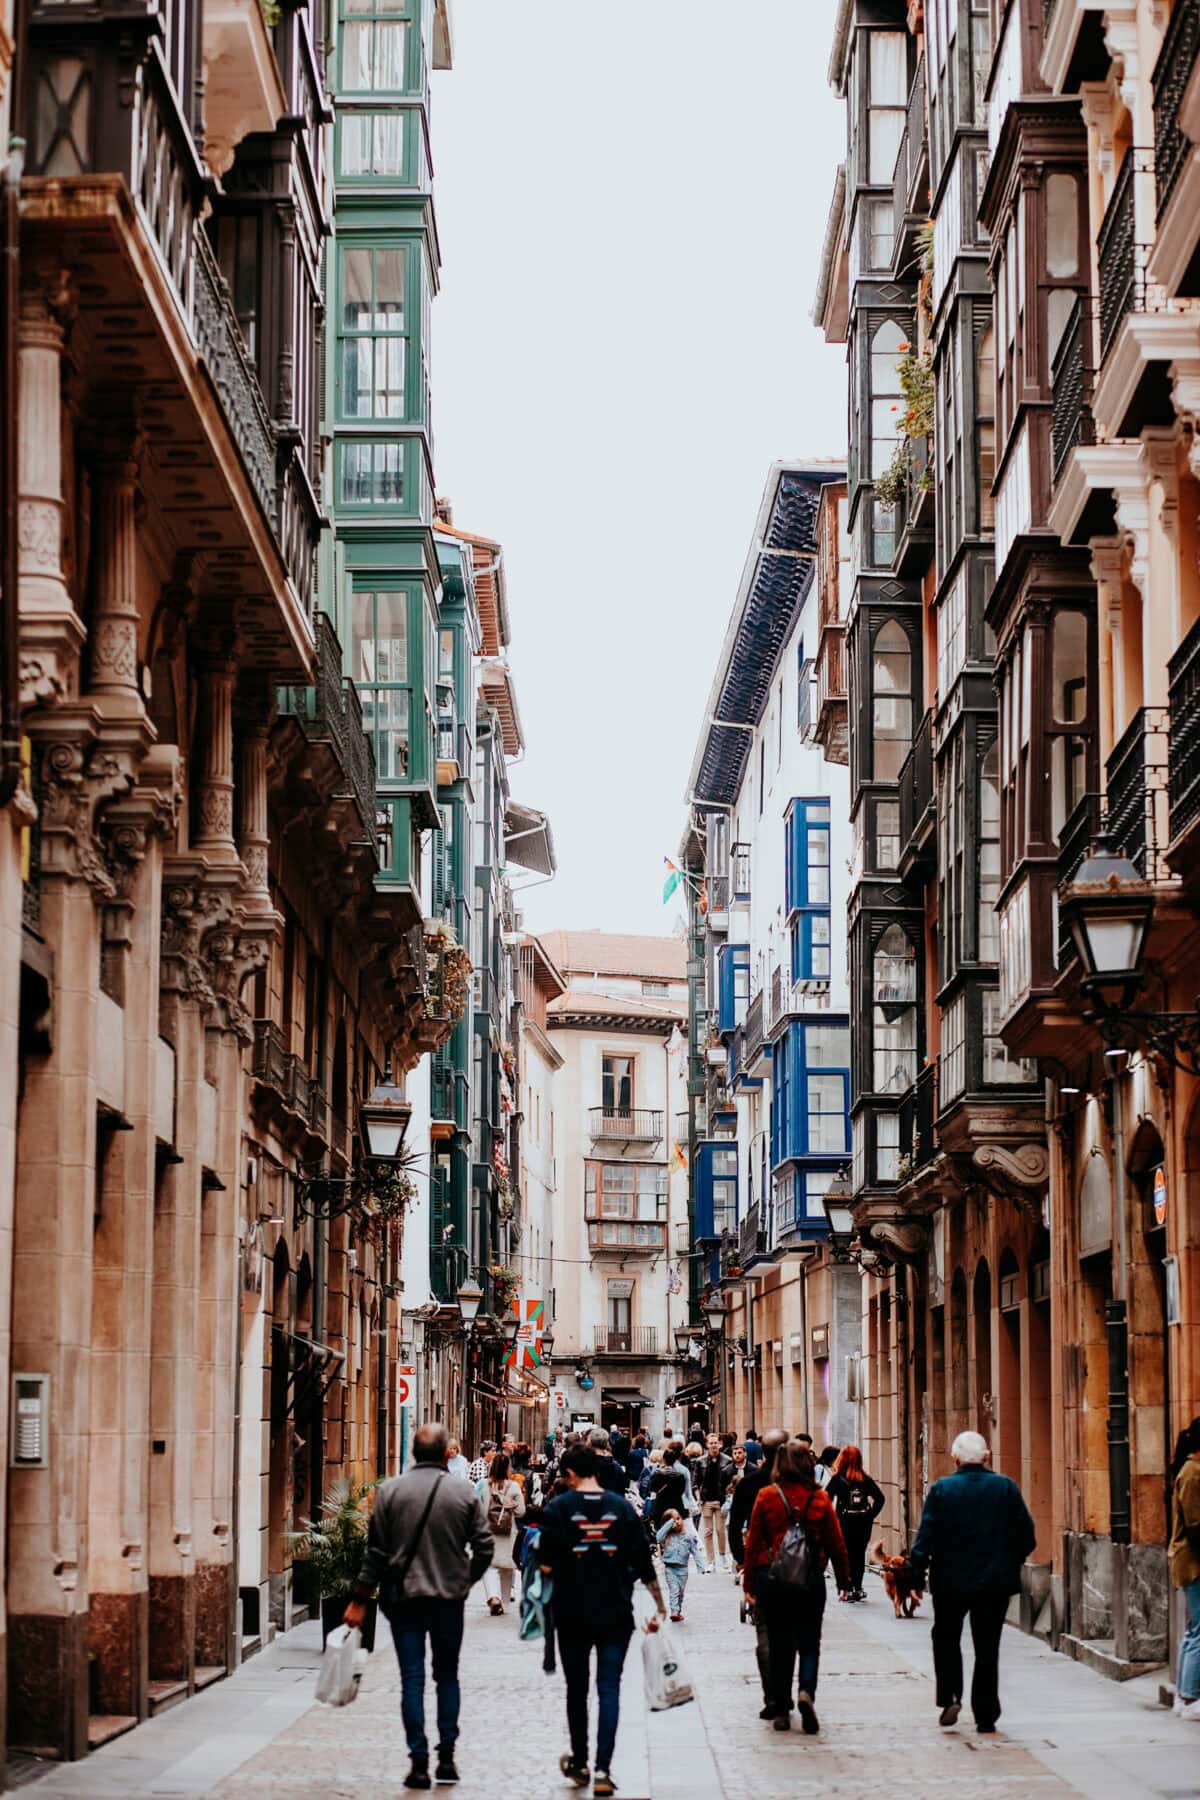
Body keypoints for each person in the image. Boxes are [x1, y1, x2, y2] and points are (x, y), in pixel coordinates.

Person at [345, 1421, 494, 1791]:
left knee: (411, 1679)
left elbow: (375, 1553)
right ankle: (447, 1758)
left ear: (413, 1451)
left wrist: (360, 1600)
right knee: (447, 1676)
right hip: (448, 1601)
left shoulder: (391, 1492)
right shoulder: (463, 1492)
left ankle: (418, 1762)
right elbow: (485, 1546)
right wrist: (465, 1581)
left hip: (404, 1599)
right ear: (446, 1453)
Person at [539, 1444, 667, 1797]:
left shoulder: (558, 1509)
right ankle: (602, 1770)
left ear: (569, 1474)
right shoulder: (621, 1508)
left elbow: (545, 1564)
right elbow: (644, 1563)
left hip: (571, 1612)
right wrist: (659, 1607)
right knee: (609, 1688)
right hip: (615, 1611)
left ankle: (580, 1761)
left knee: (577, 1690)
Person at [908, 1429, 1036, 1735]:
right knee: (987, 1646)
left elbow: (926, 1536)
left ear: (954, 1458)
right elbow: (1027, 1535)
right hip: (994, 1582)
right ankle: (986, 1714)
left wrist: (917, 1572)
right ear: (987, 1457)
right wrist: (1010, 1561)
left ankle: (951, 1695)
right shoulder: (1005, 1488)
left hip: (950, 1581)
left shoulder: (942, 1490)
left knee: (946, 1637)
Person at [743, 1439, 849, 1735]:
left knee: (780, 1644)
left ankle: (781, 1709)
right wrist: (844, 1581)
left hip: (775, 1580)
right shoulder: (820, 1498)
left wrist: (749, 1583)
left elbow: (753, 1543)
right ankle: (806, 1692)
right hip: (810, 1579)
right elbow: (836, 1543)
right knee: (810, 1642)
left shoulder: (767, 1496)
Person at [727, 1427, 789, 1715]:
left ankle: (772, 1699)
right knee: (790, 1635)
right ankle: (787, 1695)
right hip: (795, 1567)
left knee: (764, 1633)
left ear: (761, 1451)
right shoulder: (798, 1483)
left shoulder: (750, 1483)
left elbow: (735, 1526)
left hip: (763, 1565)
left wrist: (742, 1560)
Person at [1169, 1416, 1200, 1719]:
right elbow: (1195, 1523)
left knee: (1195, 1630)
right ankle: (1189, 1698)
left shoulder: (1192, 1470)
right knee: (1199, 1630)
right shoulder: (1192, 1473)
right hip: (1194, 1562)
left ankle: (1184, 1694)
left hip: (1191, 1560)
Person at [827, 1445, 886, 1601]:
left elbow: (826, 1498)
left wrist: (832, 1518)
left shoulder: (837, 1479)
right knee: (859, 1554)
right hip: (863, 1523)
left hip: (844, 1521)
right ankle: (857, 1588)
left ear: (842, 1459)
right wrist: (870, 1515)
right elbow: (880, 1498)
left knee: (846, 1554)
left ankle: (847, 1587)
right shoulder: (865, 1479)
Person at [477, 1451, 525, 1615]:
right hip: (508, 1531)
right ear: (508, 1468)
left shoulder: (484, 1485)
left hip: (487, 1530)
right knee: (506, 1566)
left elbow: (477, 1508)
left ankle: (493, 1597)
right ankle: (504, 1602)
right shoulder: (514, 1486)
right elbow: (521, 1511)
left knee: (489, 1565)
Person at [656, 1507, 709, 1621]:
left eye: (678, 1518)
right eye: (673, 1520)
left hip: (682, 1569)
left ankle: (678, 1611)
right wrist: (670, 1523)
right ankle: (674, 1612)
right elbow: (658, 1537)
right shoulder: (667, 1536)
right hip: (670, 1568)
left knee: (680, 1592)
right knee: (674, 1590)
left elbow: (695, 1552)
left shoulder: (688, 1536)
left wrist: (701, 1567)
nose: (677, 1522)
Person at [695, 1431, 735, 1569]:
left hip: (721, 1500)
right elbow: (696, 1481)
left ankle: (723, 1556)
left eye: (715, 1443)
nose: (713, 1445)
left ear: (720, 1444)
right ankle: (711, 1561)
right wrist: (698, 1498)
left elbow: (731, 1480)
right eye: (711, 1443)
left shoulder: (727, 1460)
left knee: (720, 1530)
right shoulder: (700, 1461)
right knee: (708, 1531)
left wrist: (728, 1495)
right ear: (707, 1445)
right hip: (706, 1500)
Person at [589, 1426, 629, 1495]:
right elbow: (621, 1491)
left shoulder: (585, 1465)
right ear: (607, 1443)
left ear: (590, 1442)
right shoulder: (616, 1467)